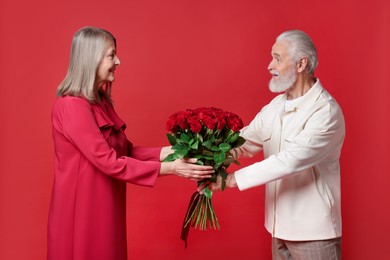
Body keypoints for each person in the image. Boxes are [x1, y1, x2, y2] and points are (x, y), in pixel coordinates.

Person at [47, 26, 214, 260]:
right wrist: (171, 168)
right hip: (82, 210)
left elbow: (126, 151)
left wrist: (170, 153)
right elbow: (108, 162)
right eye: (111, 54)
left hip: (105, 204)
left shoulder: (99, 101)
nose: (118, 61)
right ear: (91, 58)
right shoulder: (71, 106)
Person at [210, 30, 345, 259]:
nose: (269, 65)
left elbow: (289, 161)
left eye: (277, 58)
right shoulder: (276, 105)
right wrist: (210, 156)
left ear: (301, 64)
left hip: (312, 233)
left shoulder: (325, 111)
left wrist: (231, 180)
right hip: (277, 228)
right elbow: (246, 141)